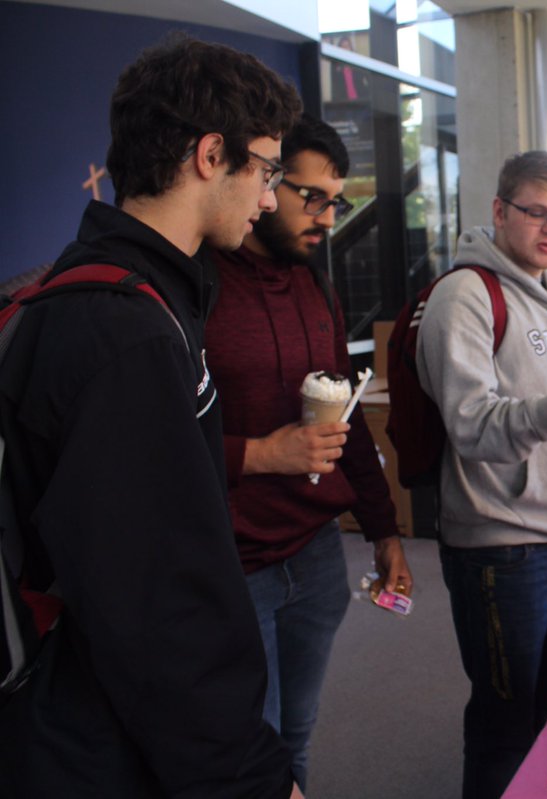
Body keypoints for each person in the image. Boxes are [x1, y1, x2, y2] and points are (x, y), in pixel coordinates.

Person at [0, 35, 304, 798]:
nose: (270, 197)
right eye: (266, 170)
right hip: (99, 741)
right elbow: (158, 607)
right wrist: (256, 778)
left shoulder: (102, 294)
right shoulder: (124, 333)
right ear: (210, 155)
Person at [414, 150, 547, 799]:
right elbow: (471, 423)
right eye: (537, 212)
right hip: (501, 545)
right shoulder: (465, 295)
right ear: (500, 210)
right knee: (504, 728)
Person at [205, 113, 413, 791]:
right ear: (261, 182)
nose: (326, 217)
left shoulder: (312, 284)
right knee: (245, 749)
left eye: (336, 200)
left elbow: (343, 417)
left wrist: (383, 529)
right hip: (233, 564)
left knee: (295, 734)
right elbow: (157, 446)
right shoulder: (194, 284)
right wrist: (262, 453)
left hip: (317, 553)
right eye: (309, 196)